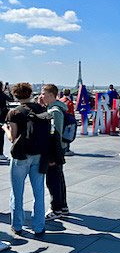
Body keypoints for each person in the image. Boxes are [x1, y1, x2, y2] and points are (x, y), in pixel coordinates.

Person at [2, 83, 46, 236]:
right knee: (39, 191)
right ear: (30, 93)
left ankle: (18, 225)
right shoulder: (41, 109)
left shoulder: (14, 112)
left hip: (21, 155)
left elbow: (12, 138)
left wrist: (5, 129)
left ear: (15, 95)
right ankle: (39, 226)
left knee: (17, 191)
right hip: (39, 154)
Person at [39, 84, 69, 220]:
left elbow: (54, 134)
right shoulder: (56, 109)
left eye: (43, 93)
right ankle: (62, 206)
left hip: (54, 150)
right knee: (58, 177)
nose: (41, 96)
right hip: (58, 148)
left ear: (51, 95)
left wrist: (52, 155)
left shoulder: (55, 111)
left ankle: (56, 208)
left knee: (53, 179)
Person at [0, 81, 14, 160]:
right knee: (1, 136)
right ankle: (0, 153)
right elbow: (11, 99)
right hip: (2, 118)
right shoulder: (2, 95)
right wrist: (8, 91)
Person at [59, 88, 75, 156]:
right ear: (69, 94)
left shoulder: (59, 101)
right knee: (67, 134)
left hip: (60, 119)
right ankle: (67, 149)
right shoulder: (69, 102)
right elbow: (72, 113)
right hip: (67, 120)